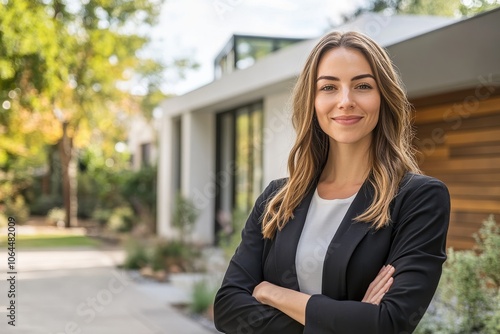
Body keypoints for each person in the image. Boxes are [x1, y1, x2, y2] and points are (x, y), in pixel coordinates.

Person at [213, 31, 450, 334]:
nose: (345, 101)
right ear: (312, 101)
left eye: (363, 86)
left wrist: (272, 293)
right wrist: (347, 320)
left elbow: (388, 323)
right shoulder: (277, 198)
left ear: (384, 97)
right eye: (328, 87)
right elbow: (228, 310)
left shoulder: (419, 199)